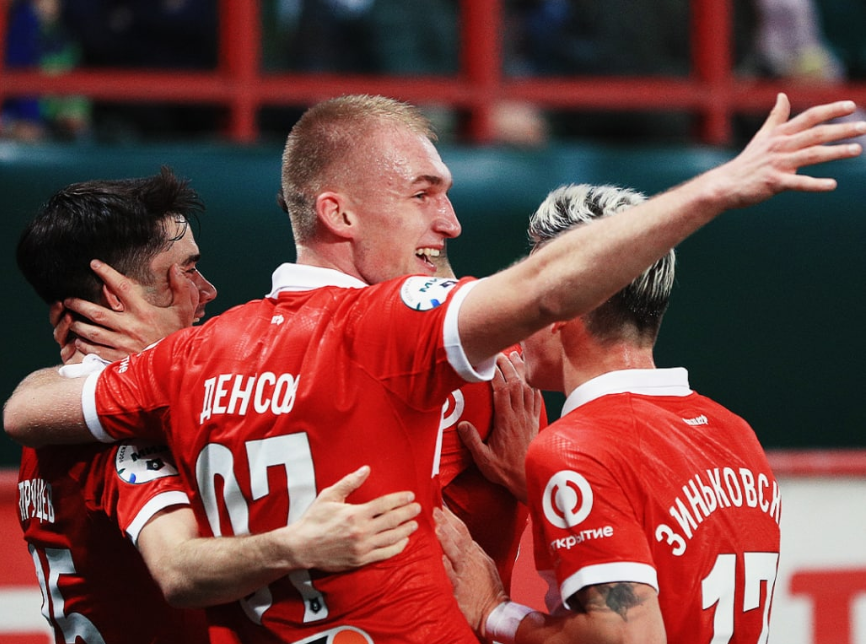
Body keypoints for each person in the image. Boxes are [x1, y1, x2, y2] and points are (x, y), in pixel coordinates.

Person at [4, 93, 863, 643]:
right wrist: (716, 189)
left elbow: (27, 409)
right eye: (424, 193)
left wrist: (130, 365)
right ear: (339, 212)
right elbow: (544, 290)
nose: (450, 222)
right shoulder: (394, 330)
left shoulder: (191, 360)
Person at [13, 168, 421, 643]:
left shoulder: (61, 412)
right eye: (186, 271)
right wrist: (300, 544)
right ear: (114, 294)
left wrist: (159, 359)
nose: (207, 290)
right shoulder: (124, 432)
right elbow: (177, 569)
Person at [435, 182, 783, 643]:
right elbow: (676, 561)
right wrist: (535, 485)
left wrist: (492, 609)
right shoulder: (734, 432)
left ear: (562, 305)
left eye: (531, 290)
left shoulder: (576, 449)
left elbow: (627, 637)